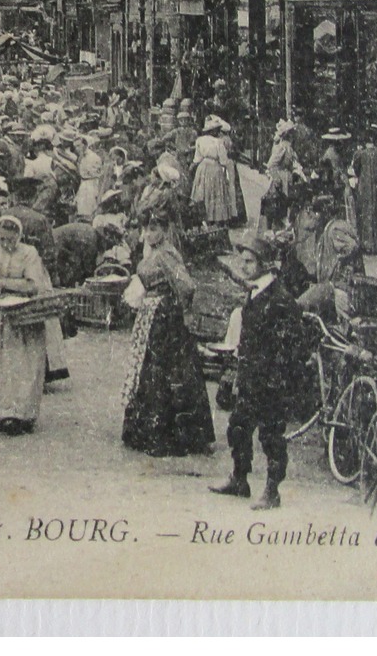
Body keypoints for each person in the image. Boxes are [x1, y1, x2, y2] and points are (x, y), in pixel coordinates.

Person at [210, 237, 305, 509]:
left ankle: (272, 491)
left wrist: (280, 378)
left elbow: (294, 345)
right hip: (252, 376)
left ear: (265, 265)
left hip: (272, 381)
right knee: (238, 426)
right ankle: (239, 479)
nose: (244, 265)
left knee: (271, 436)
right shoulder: (254, 291)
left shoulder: (280, 299)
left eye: (249, 261)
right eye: (243, 260)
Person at [120, 209, 215, 457]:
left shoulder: (167, 253)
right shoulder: (153, 251)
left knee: (166, 372)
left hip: (165, 317)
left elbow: (187, 285)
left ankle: (170, 434)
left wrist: (183, 309)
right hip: (152, 314)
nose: (149, 234)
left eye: (154, 229)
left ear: (164, 229)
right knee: (151, 371)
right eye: (146, 229)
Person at [0, 215, 54, 435]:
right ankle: (4, 412)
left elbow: (33, 285)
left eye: (11, 239)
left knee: (25, 364)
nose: (7, 244)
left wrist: (5, 283)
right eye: (2, 239)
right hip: (3, 317)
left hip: (25, 316)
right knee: (4, 363)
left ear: (19, 236)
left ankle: (24, 413)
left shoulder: (29, 254)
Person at [192, 115, 238, 226]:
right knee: (215, 193)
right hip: (214, 168)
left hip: (203, 167)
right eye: (217, 130)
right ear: (213, 131)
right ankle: (215, 217)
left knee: (204, 192)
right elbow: (223, 160)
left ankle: (205, 217)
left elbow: (197, 158)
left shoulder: (199, 140)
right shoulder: (218, 142)